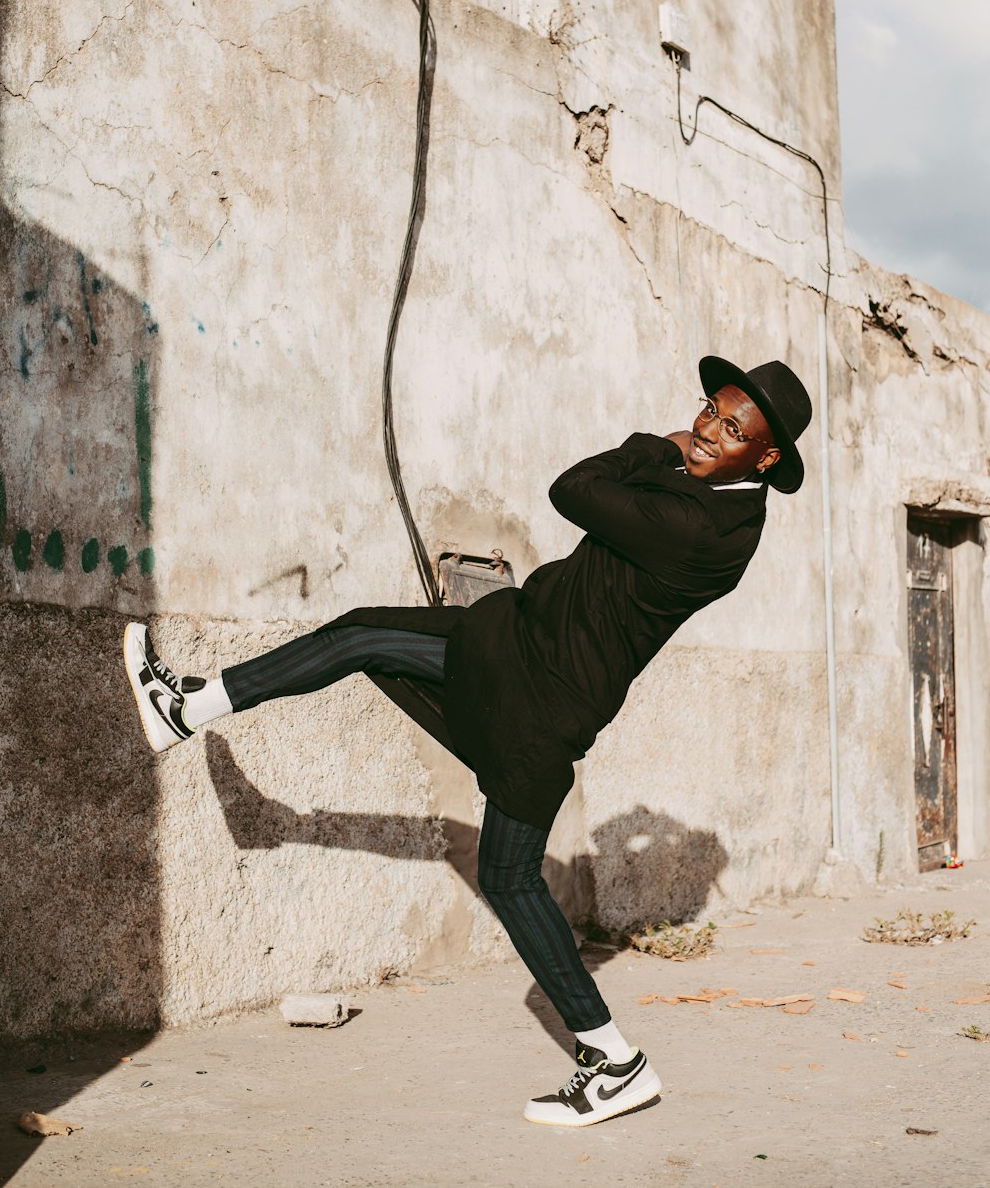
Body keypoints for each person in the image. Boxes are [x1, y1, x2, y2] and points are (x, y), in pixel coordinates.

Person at [124, 354, 811, 1128]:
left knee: (510, 878)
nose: (709, 431)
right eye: (710, 412)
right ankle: (187, 705)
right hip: (513, 647)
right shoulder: (712, 495)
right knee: (360, 638)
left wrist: (655, 447)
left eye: (733, 429)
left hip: (542, 702)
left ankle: (616, 1063)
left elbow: (575, 490)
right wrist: (676, 458)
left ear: (768, 455)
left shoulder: (705, 527)